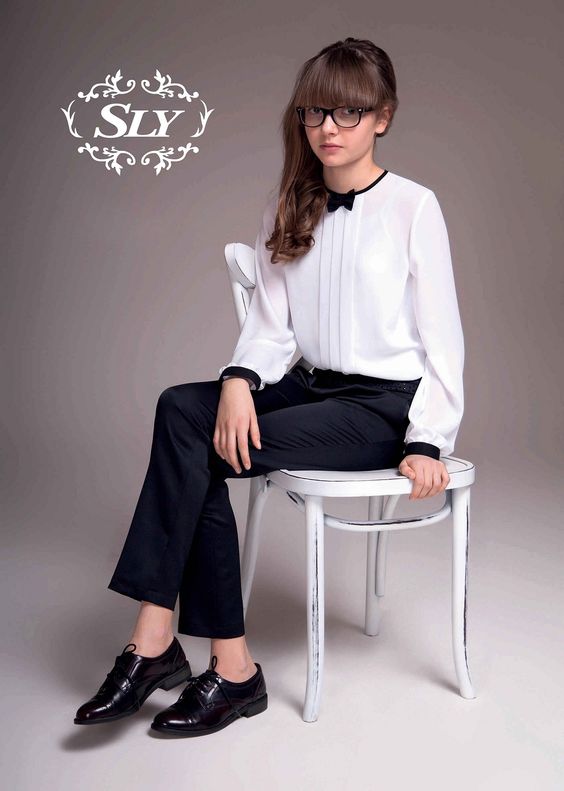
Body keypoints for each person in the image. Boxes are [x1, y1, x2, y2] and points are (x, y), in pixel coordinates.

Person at [74, 37, 464, 738]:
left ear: (383, 117)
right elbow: (270, 326)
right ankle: (194, 653)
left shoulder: (414, 207)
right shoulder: (291, 203)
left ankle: (178, 652)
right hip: (308, 388)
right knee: (182, 409)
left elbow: (445, 339)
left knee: (202, 452)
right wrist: (237, 378)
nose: (329, 128)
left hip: (381, 409)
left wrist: (428, 439)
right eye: (316, 112)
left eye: (348, 113)